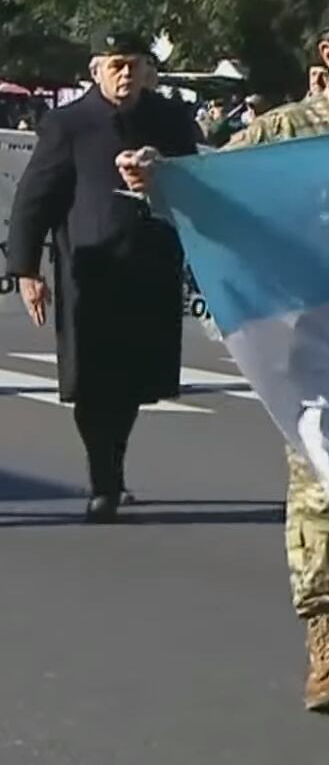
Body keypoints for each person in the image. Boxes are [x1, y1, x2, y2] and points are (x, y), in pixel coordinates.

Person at [128, 0, 329, 713]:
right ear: (328, 55)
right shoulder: (285, 131)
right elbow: (210, 192)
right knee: (323, 476)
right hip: (310, 339)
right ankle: (326, 644)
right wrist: (154, 179)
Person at [4, 29, 202, 522]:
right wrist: (26, 268)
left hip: (149, 266)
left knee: (133, 382)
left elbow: (199, 182)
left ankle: (113, 463)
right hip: (88, 272)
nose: (126, 74)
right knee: (92, 384)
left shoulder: (168, 120)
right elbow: (35, 196)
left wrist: (165, 173)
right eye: (115, 65)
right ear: (96, 70)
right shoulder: (69, 123)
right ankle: (103, 480)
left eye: (134, 64)